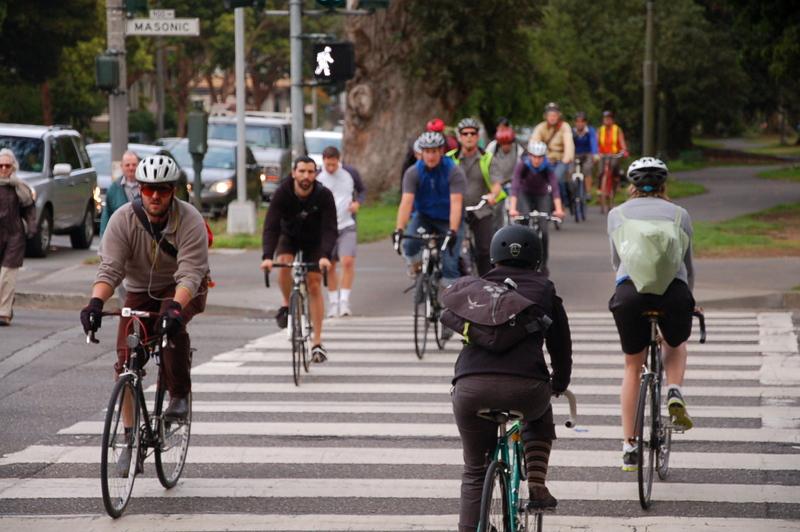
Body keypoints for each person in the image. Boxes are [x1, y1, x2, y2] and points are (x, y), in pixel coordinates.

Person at [451, 225, 572, 531]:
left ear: (493, 261)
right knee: (541, 404)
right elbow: (560, 344)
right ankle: (536, 485)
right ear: (536, 262)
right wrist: (559, 382)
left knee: (475, 470)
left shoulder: (476, 289)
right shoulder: (545, 289)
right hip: (526, 390)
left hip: (470, 387)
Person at [80, 155, 210, 422]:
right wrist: (95, 303)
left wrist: (174, 306)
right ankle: (128, 437)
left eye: (161, 190)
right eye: (148, 189)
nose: (154, 196)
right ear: (139, 189)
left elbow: (190, 273)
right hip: (139, 290)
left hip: (183, 289)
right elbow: (110, 269)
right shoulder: (123, 219)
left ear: (173, 192)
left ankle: (178, 395)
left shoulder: (190, 219)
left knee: (171, 328)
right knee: (127, 360)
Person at [607, 157, 695, 472]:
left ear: (630, 186)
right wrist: (691, 300)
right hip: (673, 293)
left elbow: (616, 262)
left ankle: (630, 445)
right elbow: (688, 265)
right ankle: (674, 390)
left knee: (633, 366)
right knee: (675, 341)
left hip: (630, 294)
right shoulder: (680, 214)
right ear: (664, 185)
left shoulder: (616, 214)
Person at [261, 156, 337, 363]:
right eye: (302, 171)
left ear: (316, 174)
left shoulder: (324, 195)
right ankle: (287, 304)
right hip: (289, 235)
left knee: (314, 285)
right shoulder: (282, 193)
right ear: (294, 173)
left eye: (310, 172)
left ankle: (318, 342)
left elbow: (330, 229)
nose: (306, 176)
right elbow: (271, 226)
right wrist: (267, 256)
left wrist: (325, 256)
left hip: (315, 240)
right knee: (284, 262)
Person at [394, 131, 466, 321]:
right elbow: (406, 202)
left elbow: (457, 204)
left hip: (448, 217)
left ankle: (451, 313)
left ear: (441, 152)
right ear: (421, 153)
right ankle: (421, 278)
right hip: (424, 216)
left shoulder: (453, 171)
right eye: (427, 151)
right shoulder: (413, 172)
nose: (431, 156)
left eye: (434, 151)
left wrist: (452, 231)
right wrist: (399, 230)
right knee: (409, 245)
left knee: (450, 264)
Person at [316, 146, 367, 318]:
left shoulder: (350, 172)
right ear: (323, 161)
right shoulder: (317, 175)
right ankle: (333, 302)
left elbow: (362, 189)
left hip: (347, 223)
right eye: (328, 165)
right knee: (330, 264)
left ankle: (345, 301)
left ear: (339, 160)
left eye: (334, 164)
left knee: (347, 261)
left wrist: (357, 202)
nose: (331, 168)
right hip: (327, 226)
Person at [446, 118, 501, 277]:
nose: (469, 136)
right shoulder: (450, 158)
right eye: (465, 133)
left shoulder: (488, 158)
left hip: (481, 209)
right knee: (452, 247)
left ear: (478, 136)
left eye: (473, 133)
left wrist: (493, 195)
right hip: (457, 209)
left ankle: (487, 283)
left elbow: (496, 183)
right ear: (459, 137)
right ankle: (455, 285)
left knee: (485, 250)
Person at [508, 141, 565, 277]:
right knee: (523, 225)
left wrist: (558, 209)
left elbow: (555, 188)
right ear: (529, 156)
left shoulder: (548, 166)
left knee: (544, 230)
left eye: (540, 157)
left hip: (542, 194)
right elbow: (515, 187)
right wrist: (513, 208)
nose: (537, 160)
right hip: (524, 194)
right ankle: (519, 260)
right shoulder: (522, 165)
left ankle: (543, 264)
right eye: (534, 156)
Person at [0, 148, 36, 326]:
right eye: (1, 166)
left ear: (13, 167)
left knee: (7, 276)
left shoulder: (19, 187)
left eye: (7, 166)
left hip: (14, 234)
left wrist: (32, 226)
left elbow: (29, 207)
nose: (4, 169)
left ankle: (4, 313)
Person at [529, 102, 574, 206]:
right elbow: (533, 142)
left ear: (558, 116)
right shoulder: (541, 127)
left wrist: (567, 157)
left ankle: (563, 200)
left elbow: (569, 143)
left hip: (560, 159)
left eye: (554, 115)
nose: (552, 118)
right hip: (545, 159)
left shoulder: (564, 127)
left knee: (557, 178)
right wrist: (532, 156)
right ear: (546, 116)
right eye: (549, 115)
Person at [486, 127, 525, 230]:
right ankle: (495, 229)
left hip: (512, 181)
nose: (506, 146)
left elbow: (521, 167)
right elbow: (486, 162)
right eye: (503, 144)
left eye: (508, 144)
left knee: (516, 205)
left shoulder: (518, 150)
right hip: (496, 182)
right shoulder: (492, 148)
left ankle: (517, 227)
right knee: (496, 208)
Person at [100, 151, 140, 238]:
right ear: (122, 166)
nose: (131, 168)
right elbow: (106, 214)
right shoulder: (113, 189)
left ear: (139, 165)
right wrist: (103, 237)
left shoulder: (146, 188)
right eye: (127, 165)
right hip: (119, 237)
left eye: (134, 165)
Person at [597, 110, 629, 195]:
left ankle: (617, 181)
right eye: (605, 118)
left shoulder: (617, 129)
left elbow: (621, 141)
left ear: (612, 120)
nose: (607, 120)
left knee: (614, 166)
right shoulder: (600, 130)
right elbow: (596, 142)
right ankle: (600, 191)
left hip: (614, 154)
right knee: (600, 171)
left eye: (609, 118)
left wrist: (624, 150)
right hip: (603, 154)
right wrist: (594, 152)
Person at [570, 112, 599, 198]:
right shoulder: (572, 132)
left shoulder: (590, 131)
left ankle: (588, 191)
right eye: (577, 121)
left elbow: (593, 142)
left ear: (585, 122)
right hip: (575, 154)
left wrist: (595, 154)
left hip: (587, 153)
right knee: (571, 170)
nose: (580, 124)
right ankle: (572, 191)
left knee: (587, 168)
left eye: (582, 121)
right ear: (575, 123)